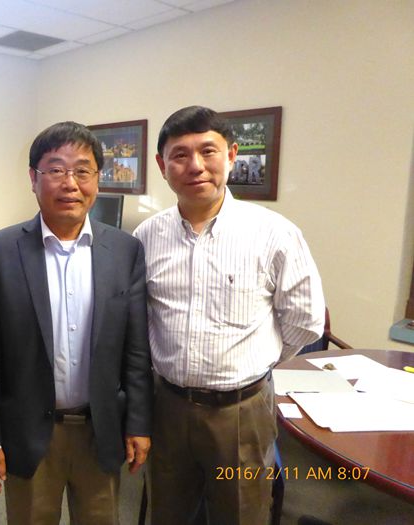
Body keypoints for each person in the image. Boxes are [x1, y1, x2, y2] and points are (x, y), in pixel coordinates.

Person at [133, 106, 325, 525]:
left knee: (241, 514)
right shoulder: (146, 236)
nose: (195, 165)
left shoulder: (274, 233)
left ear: (232, 155)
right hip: (167, 407)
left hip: (241, 412)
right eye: (180, 154)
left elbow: (304, 322)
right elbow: (142, 319)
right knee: (168, 512)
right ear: (162, 165)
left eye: (208, 151)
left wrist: (251, 365)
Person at [0, 121, 153, 524]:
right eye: (55, 170)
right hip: (29, 433)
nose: (70, 183)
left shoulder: (125, 251)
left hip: (100, 430)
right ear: (34, 179)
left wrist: (138, 422)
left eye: (82, 171)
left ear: (97, 180)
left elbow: (136, 351)